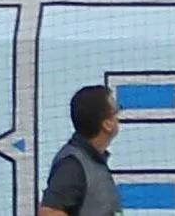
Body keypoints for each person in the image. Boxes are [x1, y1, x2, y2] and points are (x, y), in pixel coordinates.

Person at [40, 84, 121, 215]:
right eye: (116, 111)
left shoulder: (91, 161)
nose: (118, 117)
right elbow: (49, 212)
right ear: (107, 124)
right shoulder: (72, 164)